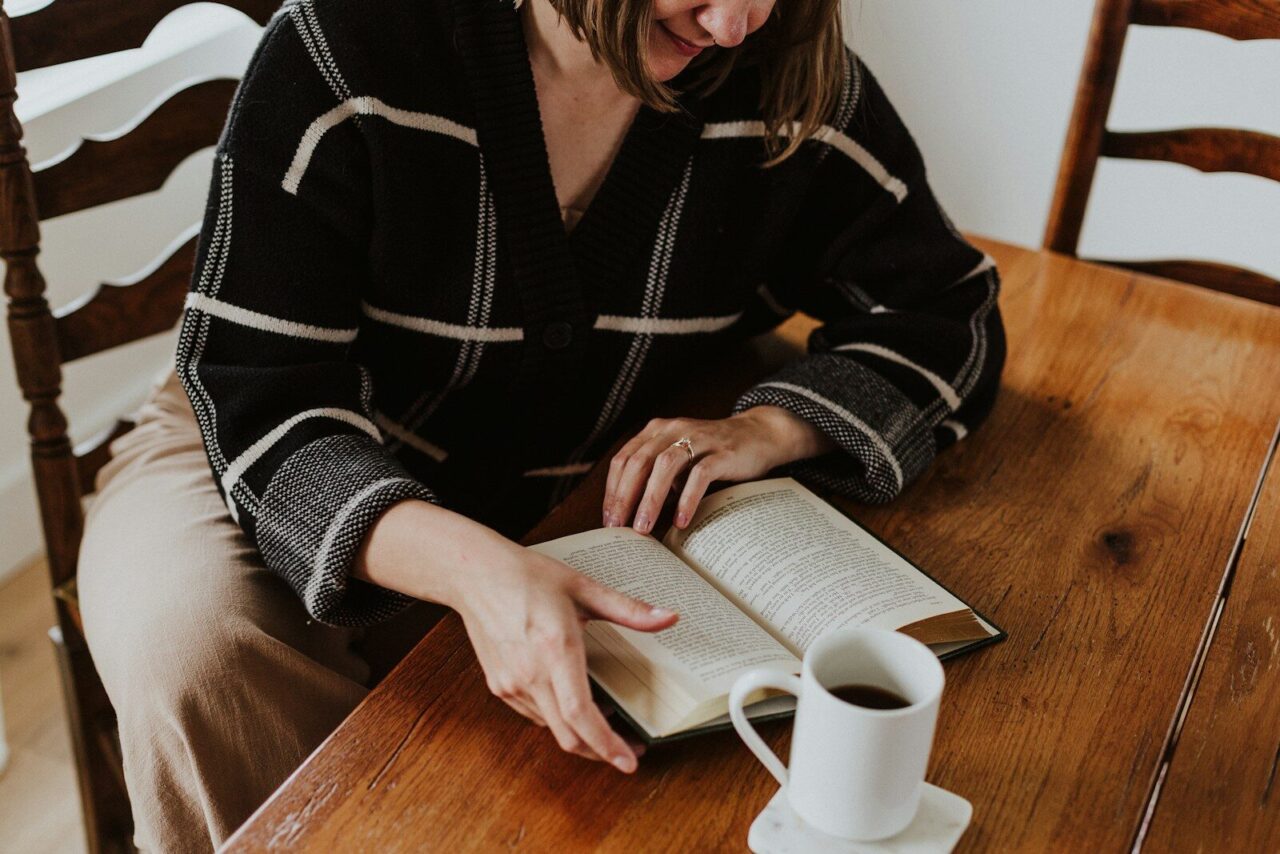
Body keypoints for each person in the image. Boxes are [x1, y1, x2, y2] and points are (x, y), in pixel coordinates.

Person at [77, 0, 1007, 849]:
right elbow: (259, 390)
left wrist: (773, 428)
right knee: (198, 654)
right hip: (271, 435)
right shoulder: (345, 44)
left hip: (576, 477)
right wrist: (472, 567)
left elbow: (947, 310)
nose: (733, 23)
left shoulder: (790, 71)